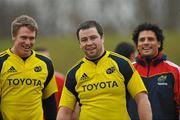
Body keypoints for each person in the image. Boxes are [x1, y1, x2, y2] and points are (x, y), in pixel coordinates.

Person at [56, 20, 152, 120]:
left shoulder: (122, 64)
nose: (89, 43)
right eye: (84, 40)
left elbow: (142, 98)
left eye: (93, 38)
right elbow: (65, 111)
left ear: (102, 38)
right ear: (80, 44)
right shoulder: (73, 73)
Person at [0, 15, 57, 120]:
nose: (27, 42)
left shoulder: (46, 63)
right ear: (13, 36)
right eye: (24, 37)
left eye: (31, 38)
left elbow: (49, 102)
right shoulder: (1, 62)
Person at [128, 22, 180, 120]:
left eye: (150, 39)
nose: (146, 42)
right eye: (142, 40)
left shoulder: (175, 71)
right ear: (137, 45)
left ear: (159, 43)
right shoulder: (128, 70)